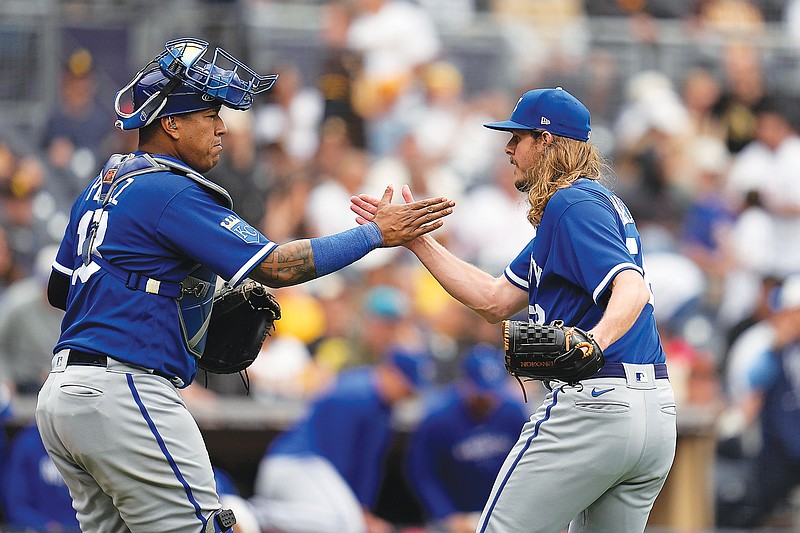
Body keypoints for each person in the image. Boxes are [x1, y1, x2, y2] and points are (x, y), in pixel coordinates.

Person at [35, 37, 454, 533]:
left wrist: (174, 296)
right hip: (127, 393)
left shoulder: (102, 185)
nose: (221, 126)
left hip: (61, 398)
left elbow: (60, 292)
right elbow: (277, 267)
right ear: (170, 123)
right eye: (209, 113)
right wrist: (375, 234)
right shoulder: (171, 189)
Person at [352, 86, 677, 532]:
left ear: (547, 141)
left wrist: (590, 343)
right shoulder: (586, 207)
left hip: (597, 403)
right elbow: (494, 299)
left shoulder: (571, 203)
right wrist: (415, 240)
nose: (508, 148)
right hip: (654, 412)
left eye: (518, 137)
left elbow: (633, 288)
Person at [249, 347, 435, 533]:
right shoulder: (354, 393)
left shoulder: (384, 407)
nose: (408, 395)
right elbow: (337, 458)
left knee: (351, 524)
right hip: (296, 464)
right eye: (407, 387)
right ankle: (252, 513)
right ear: (390, 372)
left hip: (314, 480)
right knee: (345, 523)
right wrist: (358, 515)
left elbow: (368, 465)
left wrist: (364, 511)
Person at [405, 343, 528, 533]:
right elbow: (422, 472)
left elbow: (528, 463)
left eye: (491, 392)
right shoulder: (438, 417)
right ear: (464, 382)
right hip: (456, 516)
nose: (486, 398)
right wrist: (447, 515)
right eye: (480, 391)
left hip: (502, 513)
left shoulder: (512, 410)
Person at [1, 422, 80, 532]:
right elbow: (16, 505)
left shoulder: (86, 442)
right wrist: (47, 526)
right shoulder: (27, 443)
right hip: (39, 529)